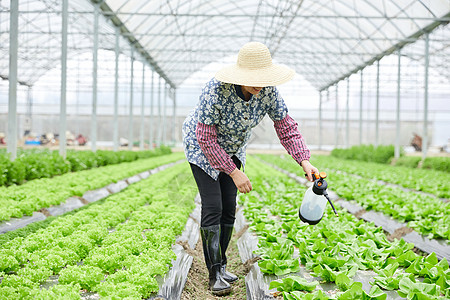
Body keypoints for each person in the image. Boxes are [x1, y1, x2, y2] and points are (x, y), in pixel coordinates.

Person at [182, 42, 319, 295]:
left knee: (229, 208)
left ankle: (222, 265)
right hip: (202, 148)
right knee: (213, 206)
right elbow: (206, 137)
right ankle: (214, 274)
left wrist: (304, 161)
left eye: (263, 79)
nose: (259, 84)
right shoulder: (216, 90)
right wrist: (234, 172)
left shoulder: (267, 92)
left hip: (233, 149)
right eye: (253, 78)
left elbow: (286, 127)